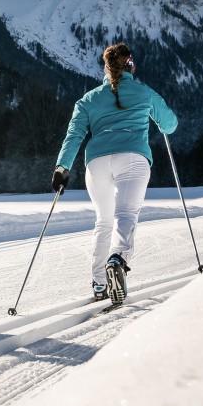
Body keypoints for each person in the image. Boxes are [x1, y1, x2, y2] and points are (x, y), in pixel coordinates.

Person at [52, 42, 177, 305]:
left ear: (106, 68)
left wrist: (62, 168)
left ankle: (99, 283)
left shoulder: (88, 99)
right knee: (126, 214)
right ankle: (117, 259)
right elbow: (170, 124)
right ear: (130, 64)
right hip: (132, 157)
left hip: (96, 163)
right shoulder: (144, 92)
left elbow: (74, 135)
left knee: (103, 220)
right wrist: (156, 117)